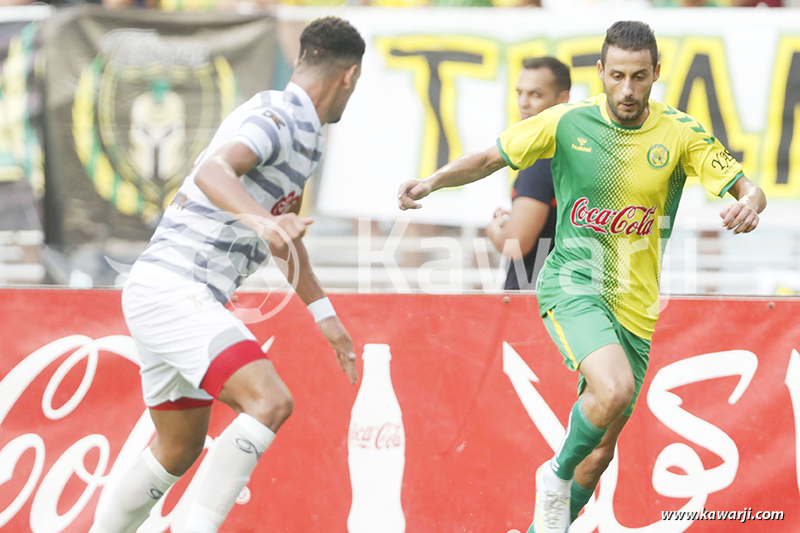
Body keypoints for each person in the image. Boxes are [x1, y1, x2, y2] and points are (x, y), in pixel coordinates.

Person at [398, 20, 765, 533]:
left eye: (640, 77)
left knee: (602, 450)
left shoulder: (681, 132)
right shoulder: (567, 122)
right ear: (601, 72)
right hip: (575, 283)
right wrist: (432, 181)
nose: (628, 90)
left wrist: (748, 204)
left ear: (657, 72)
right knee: (611, 391)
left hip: (636, 305)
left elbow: (749, 188)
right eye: (617, 76)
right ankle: (553, 474)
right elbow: (486, 158)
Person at [90, 16, 364, 533]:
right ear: (349, 76)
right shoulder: (280, 113)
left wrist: (324, 313)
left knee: (178, 447)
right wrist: (263, 222)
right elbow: (213, 172)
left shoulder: (310, 137)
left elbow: (283, 236)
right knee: (271, 401)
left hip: (174, 293)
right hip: (175, 288)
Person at [485, 57, 570, 290]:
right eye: (519, 92)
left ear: (563, 99)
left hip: (532, 300)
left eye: (535, 94)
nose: (523, 102)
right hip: (568, 297)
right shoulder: (576, 150)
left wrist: (495, 229)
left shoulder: (541, 158)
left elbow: (515, 245)